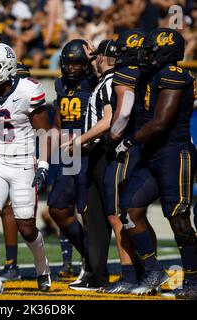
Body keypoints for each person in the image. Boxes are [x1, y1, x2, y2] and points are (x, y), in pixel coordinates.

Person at [115, 28, 197, 297]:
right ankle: (153, 270)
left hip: (175, 153)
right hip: (153, 154)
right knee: (129, 209)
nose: (144, 55)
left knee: (179, 219)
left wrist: (129, 141)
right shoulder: (146, 75)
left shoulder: (173, 75)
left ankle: (194, 280)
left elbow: (161, 122)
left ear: (165, 53)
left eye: (150, 51)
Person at [0, 42, 51, 294]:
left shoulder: (28, 91)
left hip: (24, 161)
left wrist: (44, 164)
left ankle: (42, 267)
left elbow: (44, 132)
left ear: (6, 67)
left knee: (26, 227)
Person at [48, 39, 103, 291]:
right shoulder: (60, 84)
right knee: (57, 208)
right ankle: (88, 256)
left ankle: (94, 267)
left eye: (76, 63)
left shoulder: (94, 82)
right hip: (69, 154)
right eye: (67, 63)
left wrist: (94, 59)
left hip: (90, 151)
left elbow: (107, 72)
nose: (70, 68)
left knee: (87, 211)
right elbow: (59, 119)